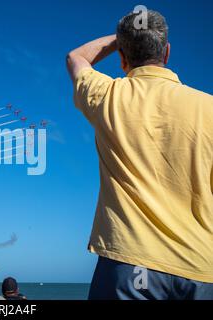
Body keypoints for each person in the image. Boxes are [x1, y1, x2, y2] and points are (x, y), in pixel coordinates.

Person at [66, 8, 213, 300]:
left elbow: (76, 57)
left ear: (122, 58)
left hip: (131, 264)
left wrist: (124, 38)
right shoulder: (209, 107)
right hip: (202, 266)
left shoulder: (108, 95)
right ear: (167, 52)